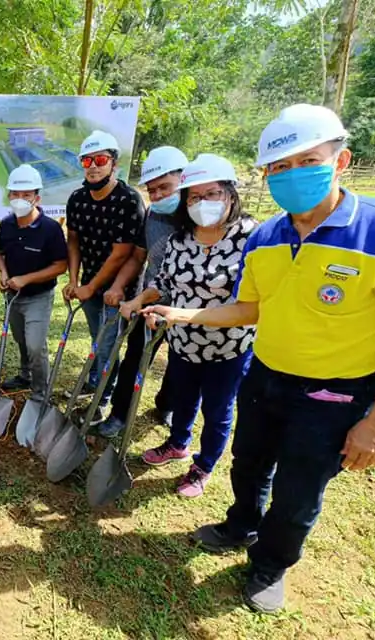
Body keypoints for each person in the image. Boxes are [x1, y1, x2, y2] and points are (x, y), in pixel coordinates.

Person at [146, 104, 375, 613]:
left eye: (308, 161)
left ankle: (270, 563)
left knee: (298, 489)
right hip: (264, 376)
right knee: (248, 464)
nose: (293, 174)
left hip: (335, 393)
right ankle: (241, 525)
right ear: (267, 175)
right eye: (280, 166)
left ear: (340, 160)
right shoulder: (266, 238)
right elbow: (250, 308)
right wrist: (185, 314)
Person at [120, 154, 257, 498]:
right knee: (183, 397)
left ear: (230, 194)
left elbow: (248, 304)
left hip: (228, 347)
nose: (202, 203)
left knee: (217, 410)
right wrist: (140, 300)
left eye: (211, 194)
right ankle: (178, 443)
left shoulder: (251, 238)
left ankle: (203, 466)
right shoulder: (180, 240)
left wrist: (178, 314)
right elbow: (164, 282)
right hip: (183, 342)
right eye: (194, 197)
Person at [97, 146, 188, 436]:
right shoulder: (152, 215)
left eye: (165, 187)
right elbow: (138, 256)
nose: (158, 195)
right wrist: (118, 286)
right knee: (135, 356)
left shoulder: (197, 217)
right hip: (149, 300)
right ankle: (119, 414)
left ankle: (166, 405)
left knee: (179, 363)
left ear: (183, 180)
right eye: (153, 190)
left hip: (188, 307)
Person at [63, 130, 147, 424]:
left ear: (114, 163)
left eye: (100, 160)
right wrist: (75, 281)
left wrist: (91, 287)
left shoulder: (129, 200)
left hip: (118, 288)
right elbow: (73, 241)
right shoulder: (77, 199)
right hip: (89, 283)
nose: (93, 166)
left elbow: (121, 254)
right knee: (97, 340)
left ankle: (101, 400)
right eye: (86, 161)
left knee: (107, 344)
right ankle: (96, 381)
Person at [0, 164, 68, 403]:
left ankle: (40, 394)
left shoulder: (50, 229)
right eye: (15, 194)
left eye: (26, 195)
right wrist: (4, 273)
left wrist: (25, 279)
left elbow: (60, 265)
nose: (20, 199)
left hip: (38, 296)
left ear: (37, 197)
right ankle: (25, 375)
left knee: (36, 345)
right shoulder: (6, 224)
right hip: (13, 296)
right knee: (21, 339)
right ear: (9, 196)